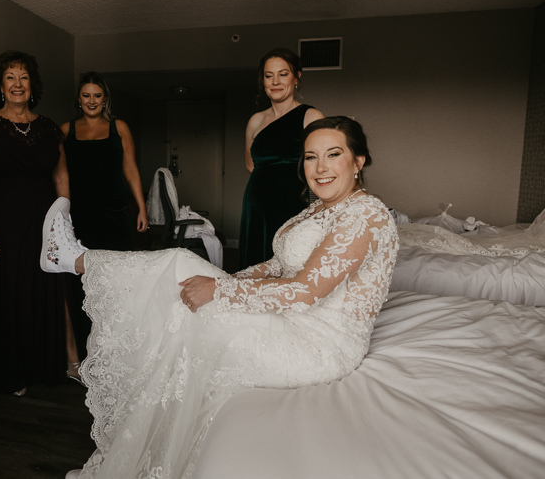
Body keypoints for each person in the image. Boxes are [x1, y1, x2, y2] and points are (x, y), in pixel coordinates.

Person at [42, 117, 398, 479]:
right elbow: (278, 266)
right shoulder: (320, 209)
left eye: (333, 154)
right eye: (310, 157)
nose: (320, 168)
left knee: (180, 268)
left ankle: (75, 259)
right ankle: (74, 260)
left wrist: (220, 289)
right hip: (295, 322)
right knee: (182, 278)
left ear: (358, 161)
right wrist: (227, 280)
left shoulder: (365, 213)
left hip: (321, 345)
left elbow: (305, 290)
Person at [0, 50, 76, 395]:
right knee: (13, 293)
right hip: (5, 222)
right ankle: (16, 370)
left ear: (33, 85)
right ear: (1, 86)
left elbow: (61, 177)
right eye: (10, 78)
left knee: (51, 288)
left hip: (46, 219)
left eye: (24, 77)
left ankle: (62, 362)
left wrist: (64, 225)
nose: (18, 84)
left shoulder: (48, 127)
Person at [60, 71, 148, 362]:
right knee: (85, 282)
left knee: (119, 278)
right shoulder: (66, 130)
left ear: (105, 98)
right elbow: (58, 175)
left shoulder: (118, 127)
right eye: (86, 95)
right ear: (79, 99)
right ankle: (90, 348)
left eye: (97, 95)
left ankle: (121, 345)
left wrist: (142, 207)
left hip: (115, 213)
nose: (92, 101)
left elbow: (131, 169)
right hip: (82, 216)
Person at [239, 48, 324, 269]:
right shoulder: (255, 121)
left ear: (297, 76)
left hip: (292, 204)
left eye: (283, 74)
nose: (275, 82)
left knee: (287, 265)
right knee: (255, 265)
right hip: (256, 205)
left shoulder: (311, 116)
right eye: (269, 76)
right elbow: (251, 164)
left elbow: (322, 168)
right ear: (263, 80)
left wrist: (314, 212)